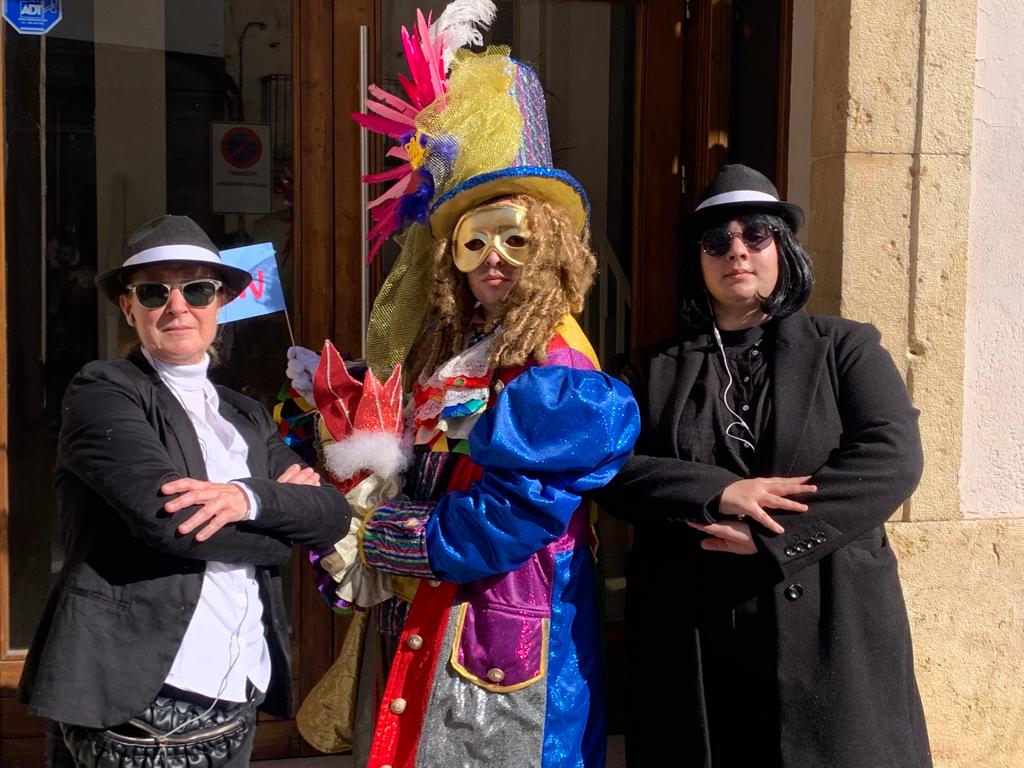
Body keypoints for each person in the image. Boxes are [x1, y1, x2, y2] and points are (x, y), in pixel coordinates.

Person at [288, 6, 640, 767]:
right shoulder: (453, 347)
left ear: (548, 247)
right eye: (475, 241)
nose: (495, 259)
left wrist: (395, 540)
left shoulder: (556, 364)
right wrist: (340, 438)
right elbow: (427, 459)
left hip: (504, 630)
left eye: (516, 239)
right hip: (438, 614)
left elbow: (520, 510)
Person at [593, 164, 932, 768]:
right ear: (697, 261)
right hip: (695, 633)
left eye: (756, 236)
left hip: (830, 620)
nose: (737, 252)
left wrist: (773, 535)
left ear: (783, 248)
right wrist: (723, 492)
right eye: (717, 242)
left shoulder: (846, 347)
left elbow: (891, 456)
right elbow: (607, 466)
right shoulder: (648, 370)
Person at [18, 215, 352, 767]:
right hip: (140, 694)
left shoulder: (244, 413)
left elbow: (330, 514)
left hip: (238, 685)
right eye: (154, 291)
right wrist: (276, 535)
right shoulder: (105, 391)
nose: (178, 307)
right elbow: (172, 523)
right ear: (129, 308)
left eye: (196, 289)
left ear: (219, 304)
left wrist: (246, 499)